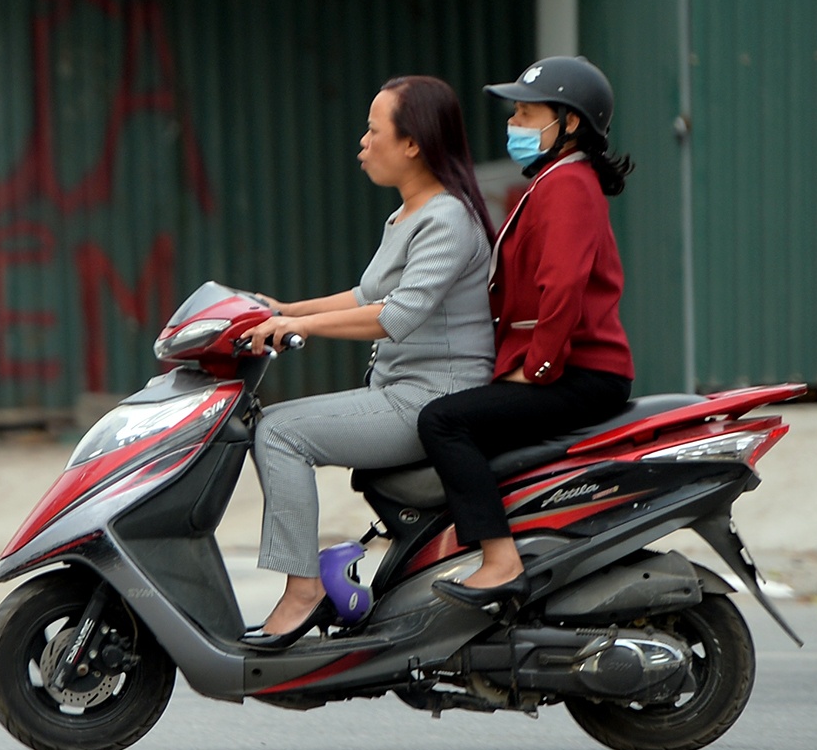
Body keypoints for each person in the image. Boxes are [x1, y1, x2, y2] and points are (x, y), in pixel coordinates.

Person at [238, 76, 496, 650]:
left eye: (373, 131)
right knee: (278, 425)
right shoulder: (408, 216)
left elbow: (394, 316)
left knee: (279, 433)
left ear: (412, 143)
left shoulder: (446, 220)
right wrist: (279, 308)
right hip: (401, 390)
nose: (362, 142)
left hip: (431, 399)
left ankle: (303, 590)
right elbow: (363, 297)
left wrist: (299, 326)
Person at [417, 56, 635, 609]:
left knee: (442, 422)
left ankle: (500, 560)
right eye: (514, 112)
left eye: (526, 112)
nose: (514, 123)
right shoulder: (555, 182)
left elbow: (561, 286)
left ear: (569, 123)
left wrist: (535, 369)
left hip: (581, 371)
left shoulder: (567, 185)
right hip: (574, 366)